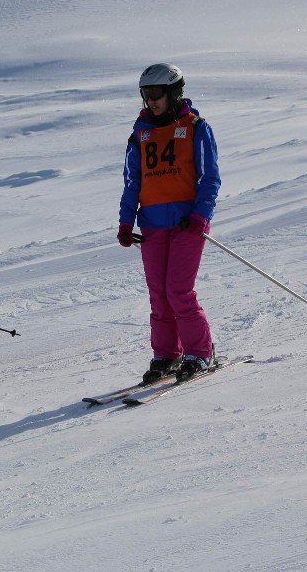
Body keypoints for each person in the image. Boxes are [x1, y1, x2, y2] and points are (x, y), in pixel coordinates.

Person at [117, 63, 221, 383]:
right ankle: (167, 354)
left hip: (186, 224)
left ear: (174, 92)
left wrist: (200, 215)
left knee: (178, 291)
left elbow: (209, 178)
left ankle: (201, 352)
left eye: (157, 94)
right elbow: (132, 181)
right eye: (146, 94)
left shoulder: (195, 127)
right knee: (159, 294)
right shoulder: (140, 133)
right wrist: (125, 221)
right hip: (152, 225)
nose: (151, 100)